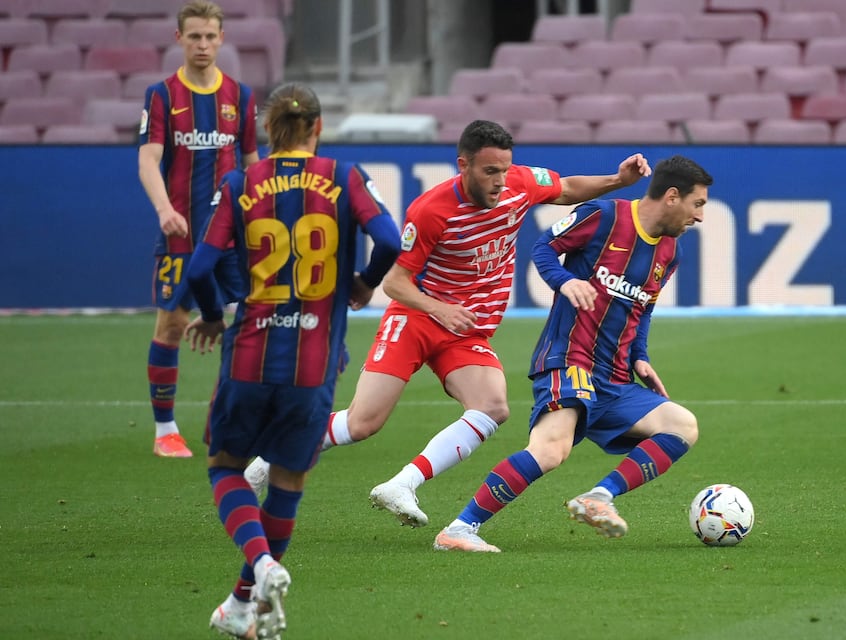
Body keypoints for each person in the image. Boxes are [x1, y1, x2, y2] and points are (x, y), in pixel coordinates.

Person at [246, 120, 651, 529]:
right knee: (363, 422)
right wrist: (440, 308)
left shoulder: (520, 184)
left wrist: (618, 179)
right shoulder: (430, 210)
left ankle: (403, 484)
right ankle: (274, 452)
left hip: (465, 330)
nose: (499, 181)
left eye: (504, 170)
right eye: (489, 171)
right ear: (464, 165)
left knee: (493, 406)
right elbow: (396, 283)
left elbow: (566, 189)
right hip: (417, 319)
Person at [184, 82, 400, 638]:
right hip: (314, 363)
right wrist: (363, 284)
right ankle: (242, 603)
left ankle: (257, 569)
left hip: (250, 355)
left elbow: (199, 270)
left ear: (267, 129)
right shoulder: (345, 176)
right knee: (286, 481)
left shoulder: (239, 182)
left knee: (226, 466)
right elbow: (391, 241)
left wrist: (211, 315)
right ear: (318, 127)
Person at [432, 155, 713, 552]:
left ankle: (598, 497)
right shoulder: (601, 215)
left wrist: (640, 355)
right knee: (551, 450)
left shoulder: (669, 252)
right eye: (697, 204)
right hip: (569, 360)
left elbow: (643, 307)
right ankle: (458, 530)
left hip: (615, 377)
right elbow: (543, 248)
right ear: (672, 197)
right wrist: (565, 282)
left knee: (682, 425)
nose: (699, 216)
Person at [138, 1, 258, 458]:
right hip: (181, 234)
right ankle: (165, 430)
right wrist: (164, 208)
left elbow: (250, 164)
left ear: (221, 38)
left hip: (233, 238)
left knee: (249, 324)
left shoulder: (240, 97)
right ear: (179, 39)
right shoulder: (163, 95)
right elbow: (148, 159)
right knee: (171, 325)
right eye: (194, 37)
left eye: (210, 37)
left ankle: (230, 418)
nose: (203, 45)